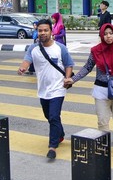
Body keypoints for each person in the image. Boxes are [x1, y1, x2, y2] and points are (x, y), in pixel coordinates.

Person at [64, 23, 113, 145]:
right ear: (101, 35)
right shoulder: (96, 51)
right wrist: (73, 79)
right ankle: (104, 145)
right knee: (102, 120)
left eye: (111, 33)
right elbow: (87, 67)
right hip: (101, 90)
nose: (108, 36)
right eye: (105, 34)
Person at [17, 19, 74, 159]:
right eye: (40, 30)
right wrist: (23, 67)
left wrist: (67, 78)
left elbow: (69, 64)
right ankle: (59, 134)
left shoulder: (60, 48)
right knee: (49, 116)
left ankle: (52, 147)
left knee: (54, 116)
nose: (43, 33)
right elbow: (27, 60)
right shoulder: (33, 48)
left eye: (45, 30)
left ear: (51, 31)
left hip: (58, 88)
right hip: (43, 90)